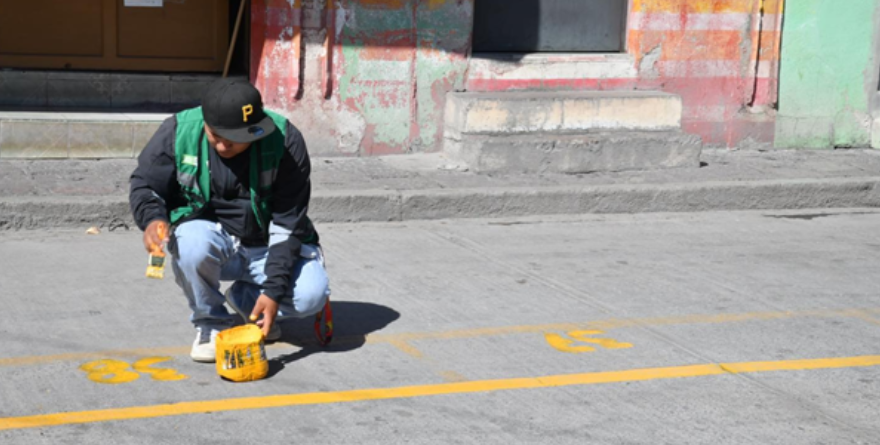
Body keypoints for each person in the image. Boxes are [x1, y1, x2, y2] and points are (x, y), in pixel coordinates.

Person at [129, 79, 330, 363]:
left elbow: (288, 222)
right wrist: (152, 219)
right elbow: (145, 184)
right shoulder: (178, 131)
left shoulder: (285, 141)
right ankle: (210, 323)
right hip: (213, 240)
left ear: (255, 129)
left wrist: (273, 291)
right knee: (192, 244)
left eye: (234, 139)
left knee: (312, 295)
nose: (223, 146)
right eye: (215, 135)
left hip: (267, 244)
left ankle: (250, 303)